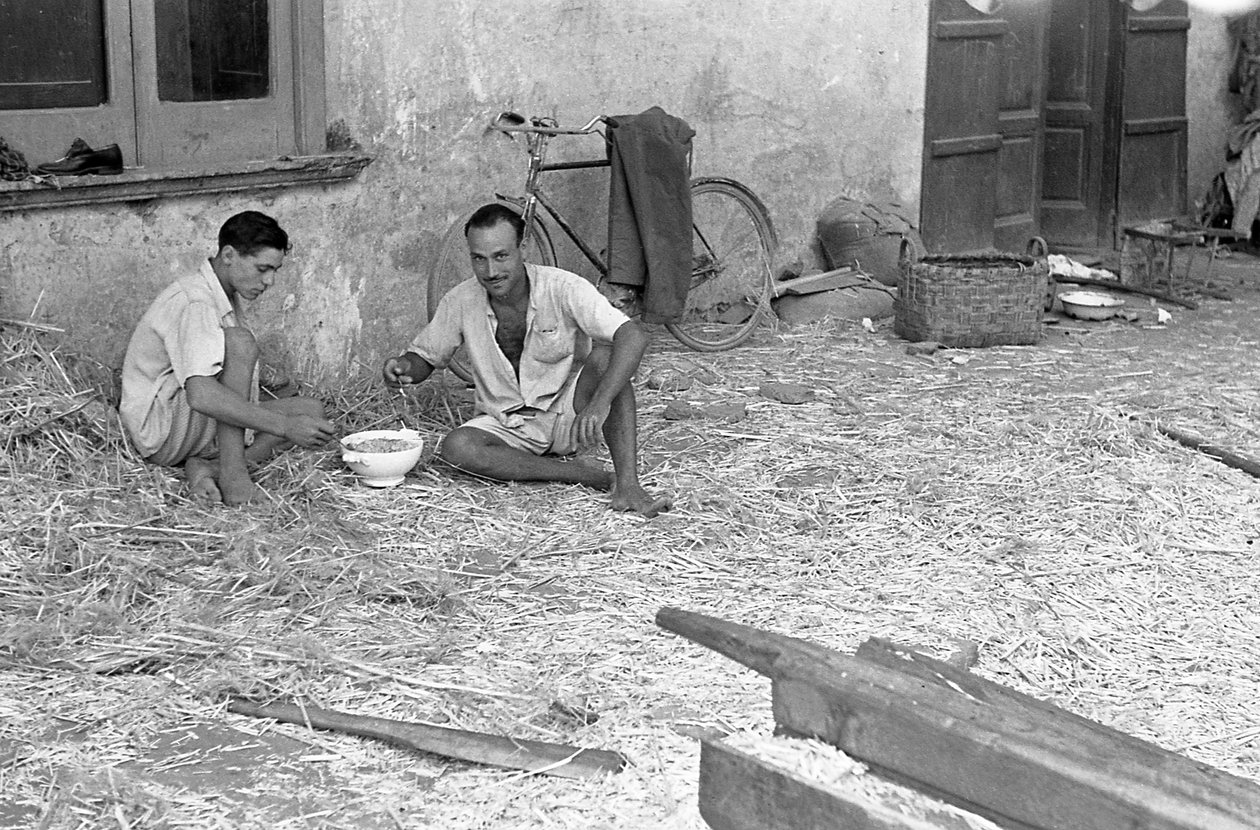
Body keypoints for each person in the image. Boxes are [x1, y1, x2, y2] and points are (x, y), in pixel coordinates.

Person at [383, 203, 671, 517]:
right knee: (457, 448)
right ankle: (590, 477)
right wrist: (404, 367)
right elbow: (425, 358)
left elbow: (632, 336)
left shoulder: (563, 287)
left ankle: (628, 485)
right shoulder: (460, 300)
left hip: (568, 415)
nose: (490, 271)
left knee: (605, 360)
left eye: (501, 256)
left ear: (524, 247)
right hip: (504, 424)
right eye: (479, 259)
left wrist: (599, 403)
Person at [120, 211, 337, 505]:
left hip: (188, 424)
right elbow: (201, 395)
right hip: (162, 430)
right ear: (229, 255)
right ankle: (235, 478)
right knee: (239, 343)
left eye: (274, 270)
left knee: (310, 412)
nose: (270, 281)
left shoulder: (222, 294)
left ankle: (209, 467)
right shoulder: (196, 301)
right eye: (262, 269)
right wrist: (284, 427)